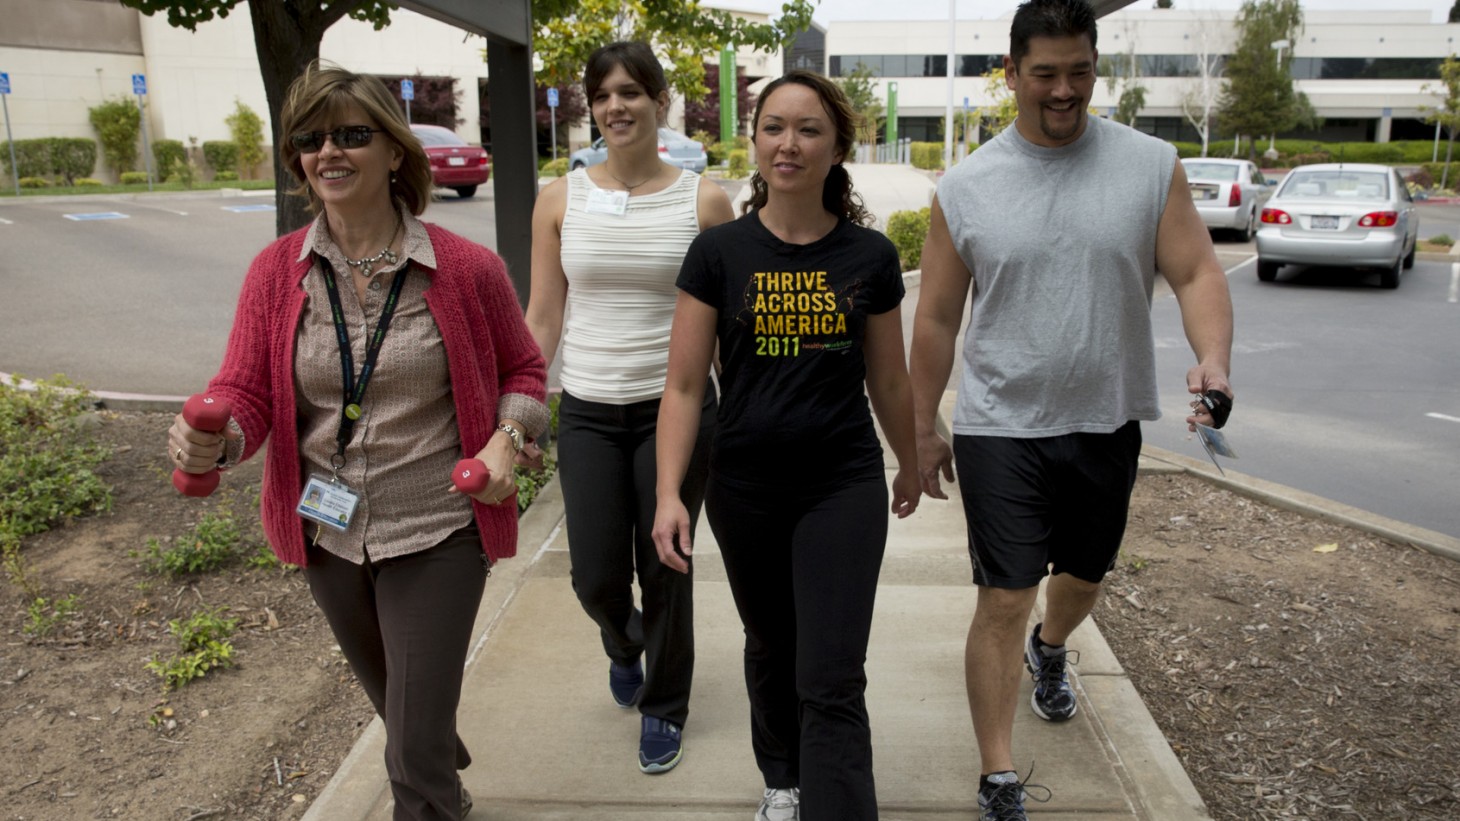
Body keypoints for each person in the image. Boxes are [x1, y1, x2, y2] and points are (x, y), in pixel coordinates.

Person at [167, 62, 548, 821]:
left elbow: (525, 369)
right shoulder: (277, 273)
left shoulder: (464, 268)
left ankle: (430, 784)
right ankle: (433, 748)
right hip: (329, 531)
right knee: (403, 709)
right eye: (310, 139)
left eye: (351, 134)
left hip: (437, 526)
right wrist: (212, 440)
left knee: (407, 752)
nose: (328, 152)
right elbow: (243, 392)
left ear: (395, 151)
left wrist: (507, 439)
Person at [906, 1, 1235, 819]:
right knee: (1005, 592)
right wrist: (921, 424)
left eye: (1079, 72)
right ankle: (999, 776)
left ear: (1096, 68)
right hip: (999, 425)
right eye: (1045, 74)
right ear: (1011, 74)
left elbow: (1196, 271)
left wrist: (1214, 360)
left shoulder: (1150, 164)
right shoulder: (969, 185)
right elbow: (939, 316)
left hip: (1106, 417)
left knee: (1081, 579)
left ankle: (1052, 652)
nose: (1064, 90)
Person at [652, 70, 921, 821]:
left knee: (831, 675)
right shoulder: (718, 253)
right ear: (754, 139)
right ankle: (783, 777)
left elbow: (890, 382)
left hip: (842, 482)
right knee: (771, 645)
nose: (789, 143)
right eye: (774, 126)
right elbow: (681, 387)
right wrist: (671, 492)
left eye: (808, 129)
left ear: (837, 147)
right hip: (745, 488)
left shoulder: (868, 258)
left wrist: (911, 457)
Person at [524, 41, 734, 774]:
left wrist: (739, 411)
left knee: (666, 562)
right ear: (592, 107)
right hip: (586, 407)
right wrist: (517, 406)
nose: (617, 106)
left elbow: (720, 326)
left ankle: (665, 705)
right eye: (603, 94)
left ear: (659, 102)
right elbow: (544, 316)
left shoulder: (703, 200)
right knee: (596, 576)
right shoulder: (559, 198)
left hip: (673, 411)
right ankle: (623, 641)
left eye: (632, 92)